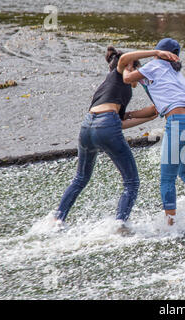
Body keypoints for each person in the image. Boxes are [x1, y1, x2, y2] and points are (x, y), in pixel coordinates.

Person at [53, 46, 169, 231]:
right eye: (138, 70)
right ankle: (120, 223)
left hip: (87, 127)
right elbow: (124, 59)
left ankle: (58, 219)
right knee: (131, 182)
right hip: (106, 125)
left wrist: (155, 113)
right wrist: (155, 53)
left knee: (80, 178)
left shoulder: (111, 88)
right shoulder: (118, 74)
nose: (139, 77)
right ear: (131, 67)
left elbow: (121, 122)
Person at [120, 38, 185, 225]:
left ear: (159, 52)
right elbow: (156, 109)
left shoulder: (155, 64)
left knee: (167, 177)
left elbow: (127, 78)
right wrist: (129, 114)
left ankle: (170, 226)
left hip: (179, 122)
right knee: (184, 170)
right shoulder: (175, 72)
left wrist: (125, 67)